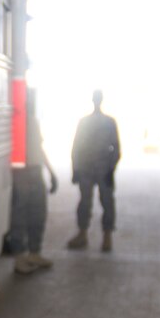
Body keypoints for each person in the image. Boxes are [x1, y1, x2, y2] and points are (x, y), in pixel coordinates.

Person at [10, 90, 60, 275]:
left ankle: (34, 252)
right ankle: (19, 257)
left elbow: (39, 148)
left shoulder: (32, 120)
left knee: (38, 212)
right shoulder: (13, 121)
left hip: (36, 171)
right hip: (21, 172)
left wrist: (51, 171)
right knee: (19, 217)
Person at [67, 90, 121, 252]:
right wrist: (75, 169)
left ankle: (107, 236)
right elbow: (76, 147)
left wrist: (111, 169)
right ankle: (83, 233)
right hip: (86, 169)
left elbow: (116, 148)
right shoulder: (84, 122)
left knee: (107, 202)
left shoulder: (109, 122)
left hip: (103, 169)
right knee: (85, 202)